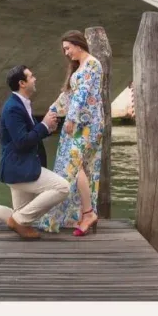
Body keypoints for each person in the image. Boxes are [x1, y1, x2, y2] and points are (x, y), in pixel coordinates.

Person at [0, 63, 69, 238]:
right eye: (31, 76)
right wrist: (43, 125)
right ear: (22, 83)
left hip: (21, 166)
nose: (35, 79)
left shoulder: (23, 104)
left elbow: (26, 137)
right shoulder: (13, 108)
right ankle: (18, 221)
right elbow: (21, 142)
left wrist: (46, 128)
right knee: (63, 188)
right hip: (19, 168)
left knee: (20, 213)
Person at [34, 31, 104, 236]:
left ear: (78, 44)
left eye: (67, 48)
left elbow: (82, 94)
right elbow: (68, 95)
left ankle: (89, 213)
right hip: (79, 125)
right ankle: (78, 215)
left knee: (75, 166)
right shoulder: (79, 68)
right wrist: (51, 112)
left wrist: (71, 118)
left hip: (87, 125)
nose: (66, 53)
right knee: (76, 167)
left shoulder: (92, 64)